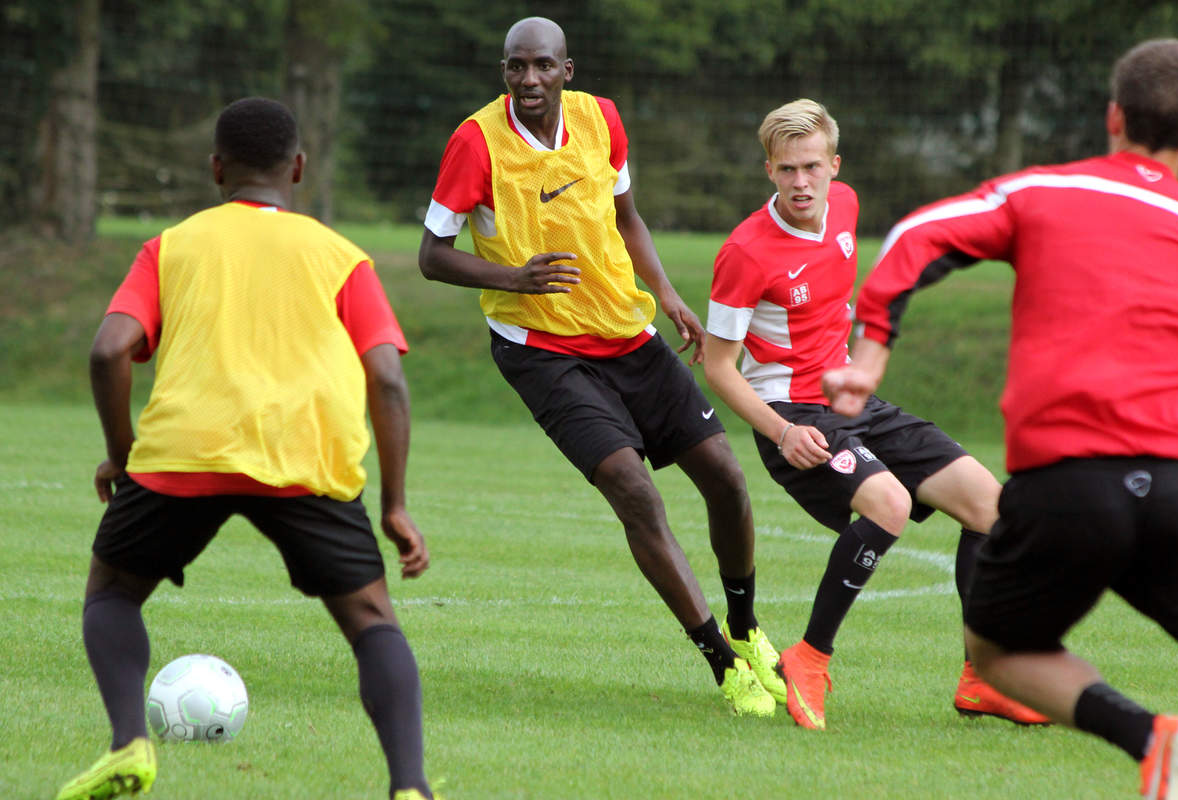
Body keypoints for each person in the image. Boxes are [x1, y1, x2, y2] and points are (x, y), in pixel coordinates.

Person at [823, 38, 1178, 798]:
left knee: (996, 652)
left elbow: (915, 237)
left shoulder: (1043, 192)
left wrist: (870, 357)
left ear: (1113, 117)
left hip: (1067, 487)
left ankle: (1152, 737)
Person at [55, 97, 435, 800]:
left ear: (215, 169)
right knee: (372, 622)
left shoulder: (171, 245)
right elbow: (386, 377)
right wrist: (397, 503)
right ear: (297, 169)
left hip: (182, 456)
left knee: (111, 593)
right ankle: (409, 788)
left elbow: (109, 349)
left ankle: (129, 743)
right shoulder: (340, 256)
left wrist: (123, 451)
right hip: (306, 460)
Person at [417, 16, 777, 716]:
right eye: (516, 67)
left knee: (728, 480)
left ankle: (746, 624)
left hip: (627, 334)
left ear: (567, 70)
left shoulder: (601, 121)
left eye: (542, 66)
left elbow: (627, 217)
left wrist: (669, 296)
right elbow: (431, 254)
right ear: (504, 73)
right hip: (541, 351)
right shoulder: (475, 140)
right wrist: (513, 277)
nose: (529, 80)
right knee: (633, 489)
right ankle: (723, 663)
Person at [703, 98, 1048, 731]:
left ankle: (984, 676)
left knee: (990, 507)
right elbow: (718, 364)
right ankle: (809, 657)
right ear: (768, 172)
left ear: (834, 165)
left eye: (811, 166)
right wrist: (781, 431)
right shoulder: (745, 253)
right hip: (791, 415)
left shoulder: (849, 206)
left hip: (847, 402)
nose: (800, 182)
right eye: (786, 170)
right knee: (888, 505)